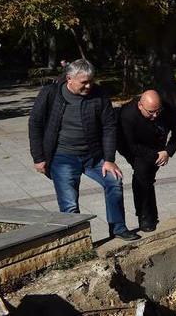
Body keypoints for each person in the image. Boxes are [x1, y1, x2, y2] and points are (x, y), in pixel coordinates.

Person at [28, 59, 138, 241]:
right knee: (69, 204)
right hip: (62, 157)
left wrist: (109, 159)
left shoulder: (99, 96)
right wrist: (38, 157)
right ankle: (78, 241)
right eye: (84, 82)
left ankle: (118, 228)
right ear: (69, 79)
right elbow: (35, 124)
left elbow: (109, 127)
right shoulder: (50, 93)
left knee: (114, 182)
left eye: (91, 81)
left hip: (94, 157)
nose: (89, 86)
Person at [118, 90, 176, 232]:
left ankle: (149, 214)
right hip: (130, 146)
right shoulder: (127, 115)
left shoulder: (166, 108)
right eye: (151, 112)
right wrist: (155, 156)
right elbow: (131, 146)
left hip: (157, 143)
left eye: (158, 111)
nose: (155, 115)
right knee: (142, 175)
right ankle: (145, 216)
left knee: (146, 176)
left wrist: (168, 151)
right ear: (140, 106)